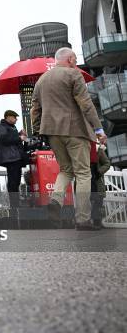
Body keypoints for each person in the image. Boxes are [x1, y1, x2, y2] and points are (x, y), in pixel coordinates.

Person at [31, 47, 107, 231]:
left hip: (51, 131)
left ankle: (55, 200)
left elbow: (35, 108)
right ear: (71, 59)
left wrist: (38, 130)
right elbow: (86, 103)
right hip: (74, 130)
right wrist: (98, 129)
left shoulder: (42, 79)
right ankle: (82, 219)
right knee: (83, 173)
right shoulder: (73, 75)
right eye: (75, 58)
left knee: (65, 170)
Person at [0, 110, 27, 208]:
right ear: (8, 117)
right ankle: (14, 205)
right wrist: (19, 137)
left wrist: (19, 135)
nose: (16, 119)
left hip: (15, 158)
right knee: (13, 183)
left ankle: (16, 204)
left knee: (16, 182)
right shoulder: (1, 127)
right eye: (14, 117)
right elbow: (4, 139)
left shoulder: (11, 128)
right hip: (11, 159)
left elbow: (11, 138)